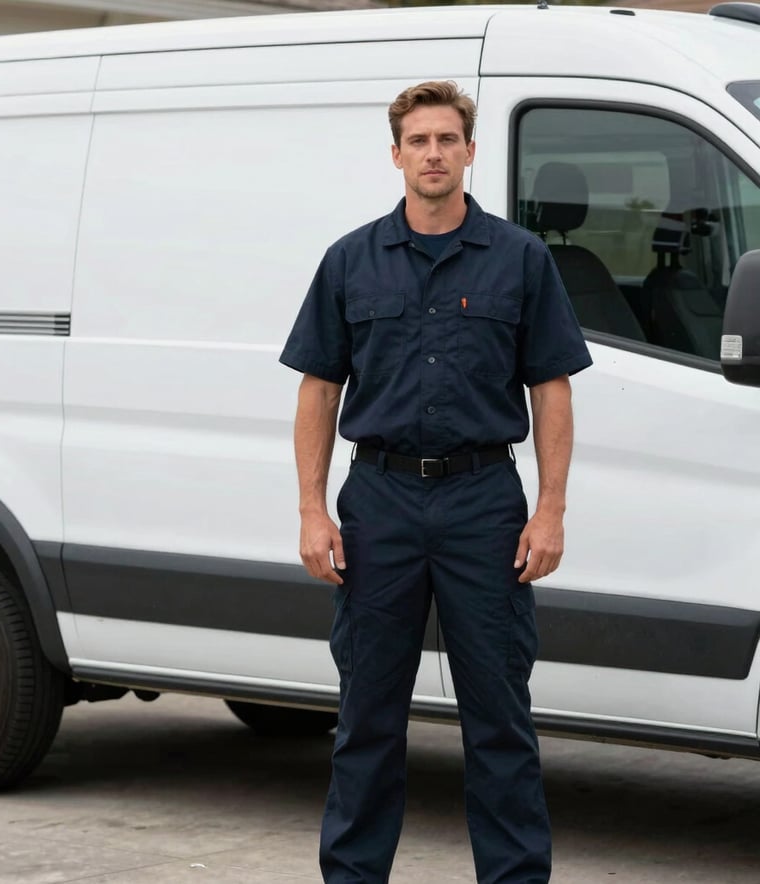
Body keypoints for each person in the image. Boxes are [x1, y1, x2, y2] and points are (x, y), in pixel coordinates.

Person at [280, 80, 592, 884]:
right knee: (367, 719)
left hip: (483, 504)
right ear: (396, 155)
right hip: (378, 502)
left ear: (469, 152)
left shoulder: (520, 259)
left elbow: (551, 386)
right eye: (417, 141)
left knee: (499, 719)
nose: (432, 154)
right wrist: (313, 512)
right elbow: (319, 388)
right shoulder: (350, 259)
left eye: (446, 139)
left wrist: (550, 510)